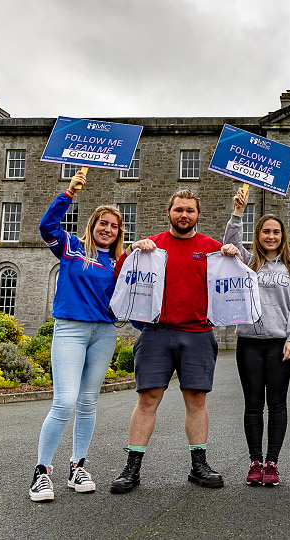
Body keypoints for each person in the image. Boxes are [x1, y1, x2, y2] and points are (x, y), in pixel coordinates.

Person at [109, 189, 229, 494]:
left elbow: (233, 284)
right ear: (169, 212)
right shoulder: (151, 246)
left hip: (198, 333)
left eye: (190, 210)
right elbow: (120, 275)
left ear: (198, 215)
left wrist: (233, 256)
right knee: (147, 400)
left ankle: (198, 466)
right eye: (179, 210)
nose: (184, 215)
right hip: (156, 333)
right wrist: (132, 249)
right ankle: (131, 468)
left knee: (197, 401)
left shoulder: (213, 249)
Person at [30, 170, 124, 502]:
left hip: (104, 333)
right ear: (93, 225)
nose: (108, 230)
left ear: (118, 233)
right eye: (103, 224)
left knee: (87, 403)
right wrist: (69, 193)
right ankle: (41, 473)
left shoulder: (117, 263)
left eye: (114, 226)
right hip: (70, 329)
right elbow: (46, 227)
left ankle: (77, 466)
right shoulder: (70, 246)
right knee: (65, 401)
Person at [220, 187, 290, 487]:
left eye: (276, 232)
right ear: (258, 235)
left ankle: (272, 463)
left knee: (278, 404)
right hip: (249, 343)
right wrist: (238, 212)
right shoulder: (248, 262)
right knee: (253, 403)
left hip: (279, 343)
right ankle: (255, 461)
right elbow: (229, 245)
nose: (271, 236)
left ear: (283, 236)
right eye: (266, 232)